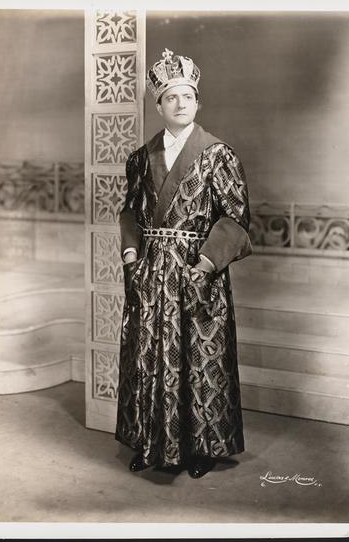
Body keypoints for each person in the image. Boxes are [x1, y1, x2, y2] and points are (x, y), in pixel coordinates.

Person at [115, 48, 253, 479]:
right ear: (158, 106)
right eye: (170, 97)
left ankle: (201, 449)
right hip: (151, 273)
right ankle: (150, 441)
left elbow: (235, 217)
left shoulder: (218, 154)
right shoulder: (140, 158)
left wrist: (208, 264)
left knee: (198, 359)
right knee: (148, 358)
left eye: (187, 97)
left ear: (197, 103)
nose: (179, 104)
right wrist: (131, 256)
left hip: (197, 271)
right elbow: (130, 213)